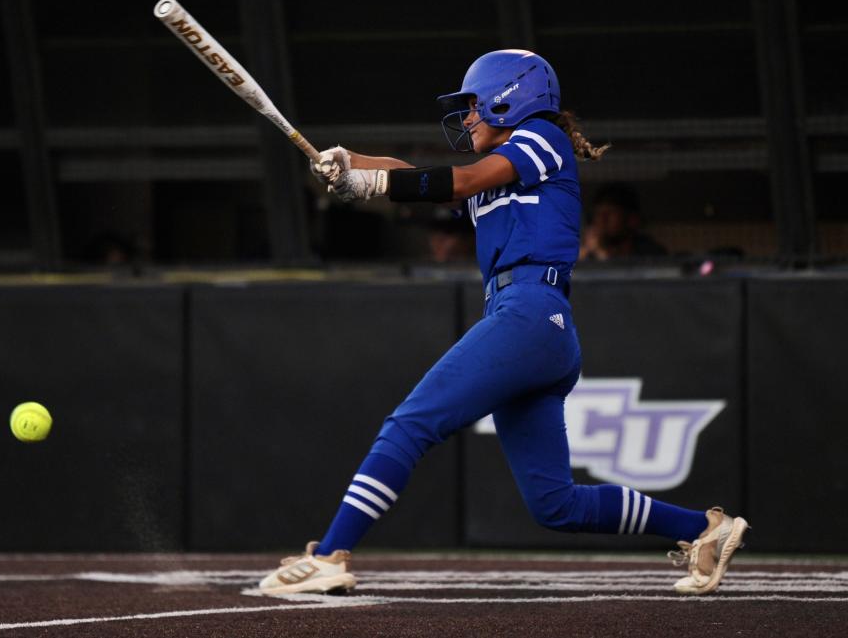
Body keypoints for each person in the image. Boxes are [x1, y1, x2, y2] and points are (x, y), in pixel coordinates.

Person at [258, 50, 747, 597]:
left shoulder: (541, 136)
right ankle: (704, 530)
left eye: (473, 105)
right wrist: (352, 164)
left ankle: (330, 554)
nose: (466, 118)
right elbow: (421, 176)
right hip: (534, 324)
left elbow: (461, 182)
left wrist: (373, 186)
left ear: (509, 96)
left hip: (532, 314)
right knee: (555, 505)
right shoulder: (498, 169)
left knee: (410, 424)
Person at [579, 184, 667, 260]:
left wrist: (601, 253)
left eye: (610, 213)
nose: (602, 220)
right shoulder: (588, 251)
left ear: (632, 220)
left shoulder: (649, 253)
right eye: (598, 214)